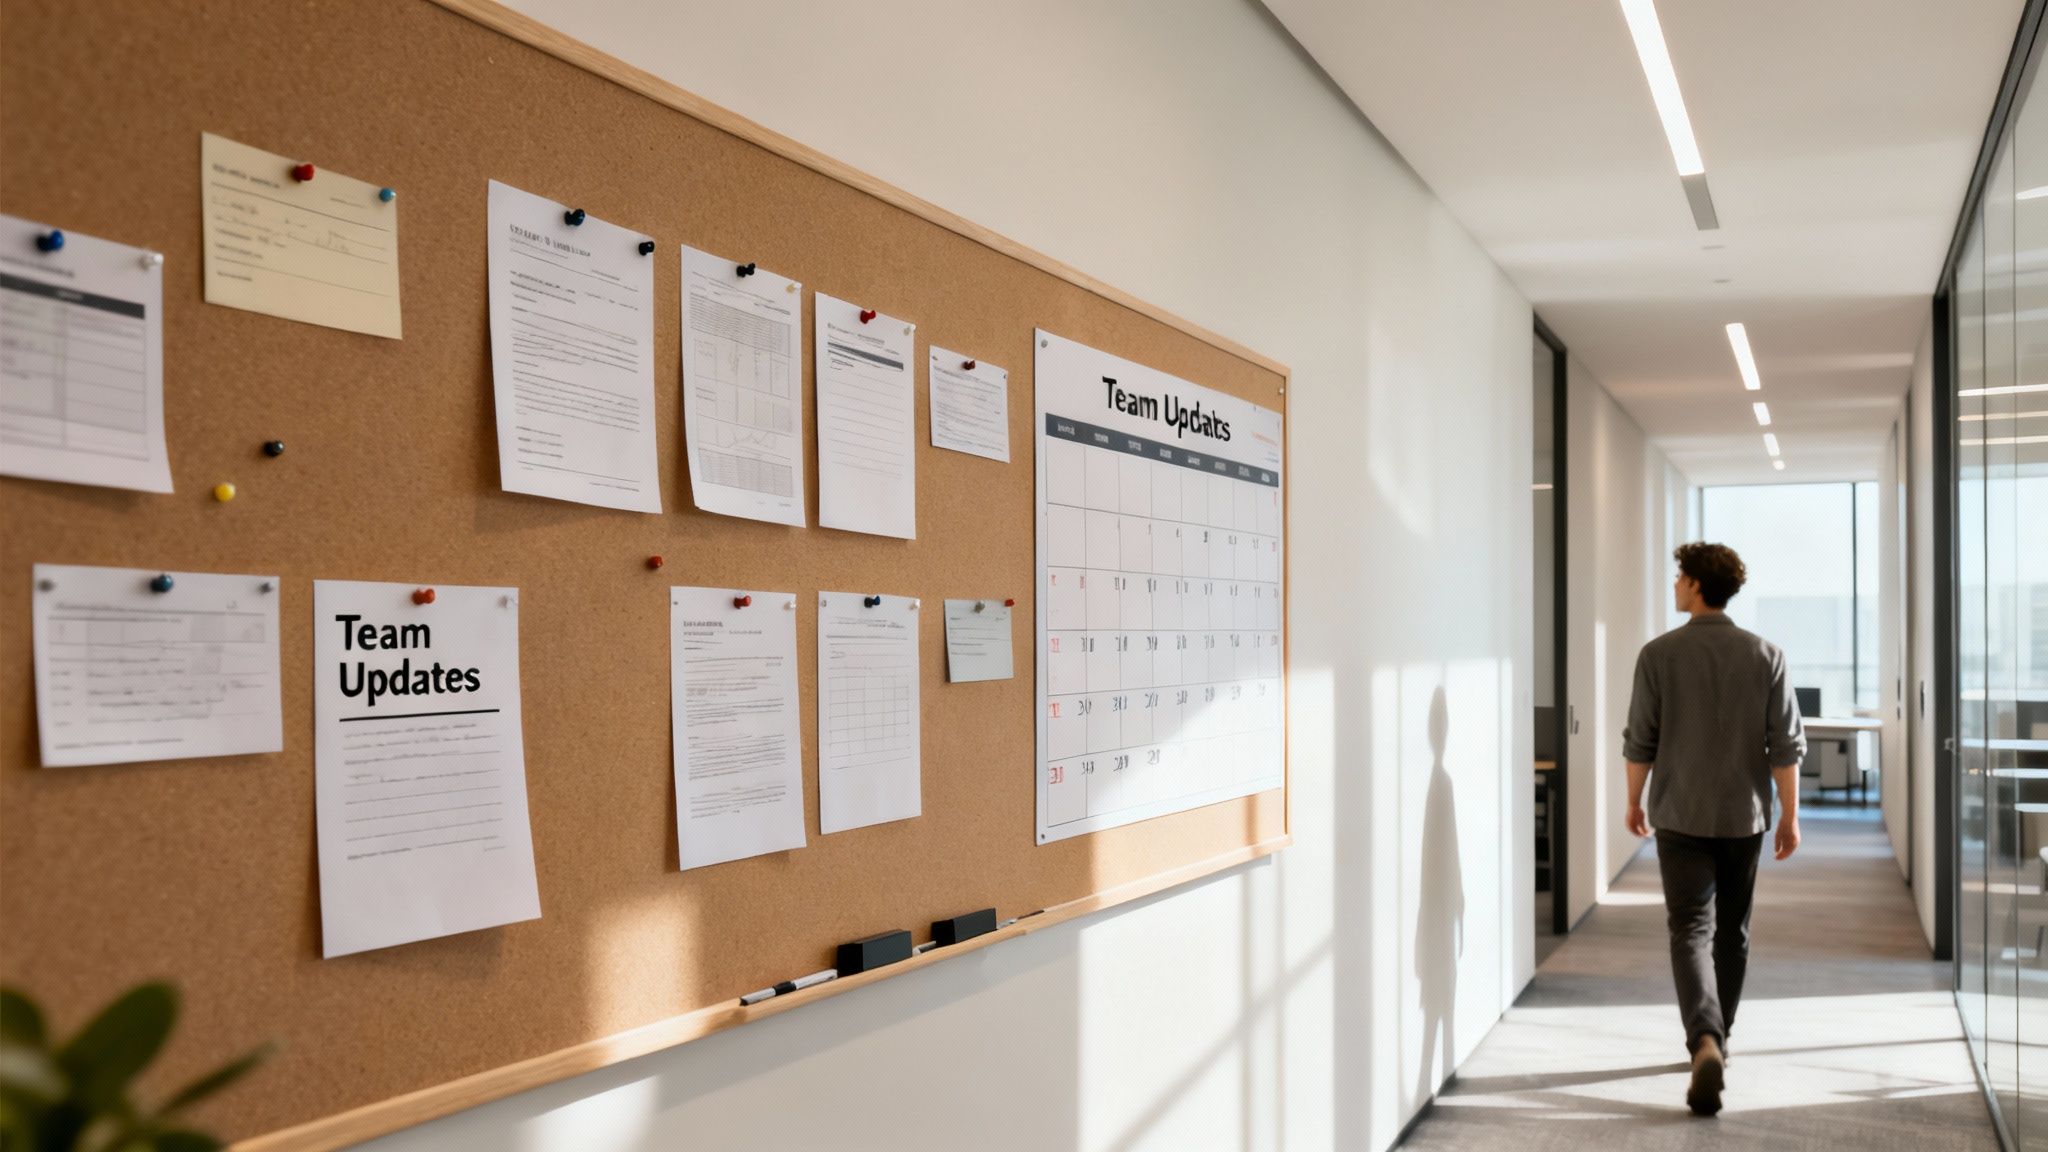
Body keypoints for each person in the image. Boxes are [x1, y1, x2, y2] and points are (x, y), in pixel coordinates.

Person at [1621, 542, 1806, 1118]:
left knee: (1690, 929)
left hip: (1679, 814)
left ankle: (1703, 1037)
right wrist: (1791, 815)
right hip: (1742, 817)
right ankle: (1720, 1039)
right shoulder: (1766, 655)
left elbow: (1640, 740)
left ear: (1698, 585)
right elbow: (1786, 746)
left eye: (1680, 577)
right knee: (1733, 933)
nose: (1675, 585)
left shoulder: (1658, 654)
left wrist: (1633, 800)